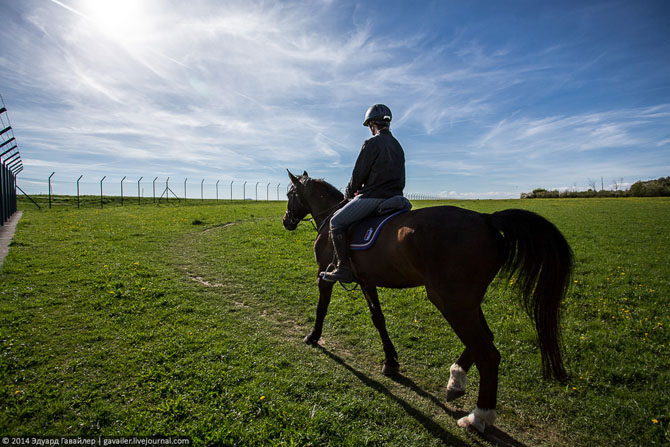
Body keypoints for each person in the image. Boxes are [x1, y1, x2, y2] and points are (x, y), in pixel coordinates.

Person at [320, 104, 406, 283]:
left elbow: (358, 173)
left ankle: (343, 268)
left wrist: (349, 193)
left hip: (375, 197)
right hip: (396, 198)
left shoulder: (371, 143)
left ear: (372, 124)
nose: (369, 129)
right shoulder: (398, 146)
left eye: (369, 126)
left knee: (336, 221)